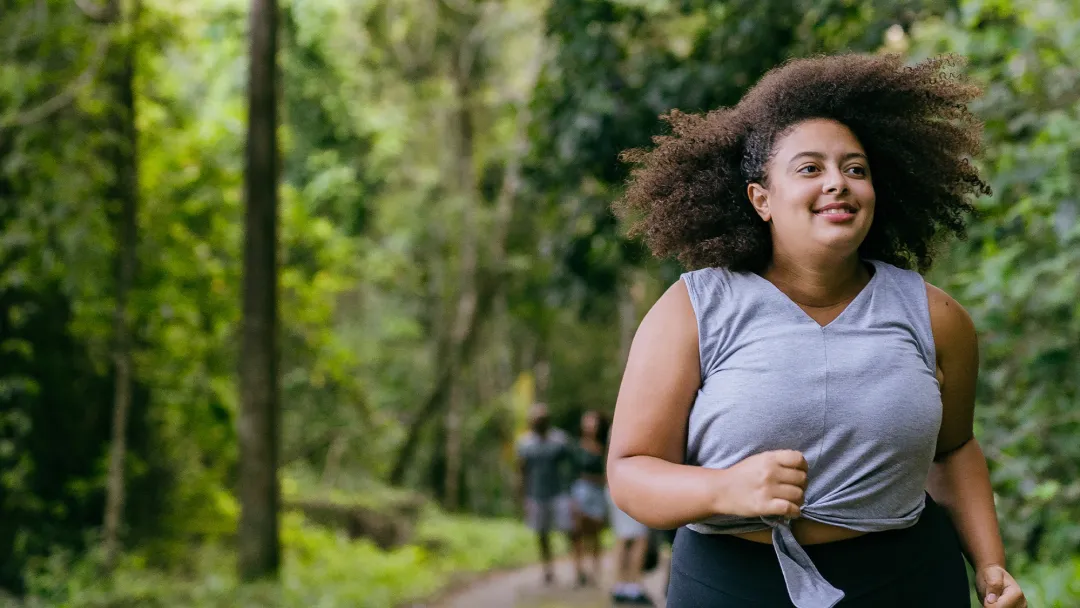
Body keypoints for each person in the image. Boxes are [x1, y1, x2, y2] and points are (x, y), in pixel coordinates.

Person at [606, 53, 1027, 608]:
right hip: (733, 582)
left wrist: (992, 565)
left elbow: (953, 451)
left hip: (910, 580)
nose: (838, 183)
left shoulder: (935, 315)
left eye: (856, 169)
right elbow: (631, 470)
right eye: (810, 169)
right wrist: (723, 488)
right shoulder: (693, 308)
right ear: (762, 199)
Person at [516, 402, 575, 585]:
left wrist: (572, 491)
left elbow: (572, 465)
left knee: (569, 531)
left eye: (542, 418)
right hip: (536, 495)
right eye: (536, 418)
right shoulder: (525, 443)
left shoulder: (559, 439)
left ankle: (576, 567)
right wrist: (522, 496)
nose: (539, 421)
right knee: (542, 534)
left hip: (559, 493)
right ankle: (548, 569)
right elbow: (521, 470)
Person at [569, 410, 609, 586]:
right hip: (580, 492)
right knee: (578, 532)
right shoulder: (576, 447)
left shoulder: (603, 447)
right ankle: (579, 570)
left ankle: (595, 571)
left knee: (595, 533)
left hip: (598, 491)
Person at [608, 493, 654, 605]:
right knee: (639, 539)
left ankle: (620, 586)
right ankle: (634, 587)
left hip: (616, 487)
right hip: (633, 489)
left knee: (622, 539)